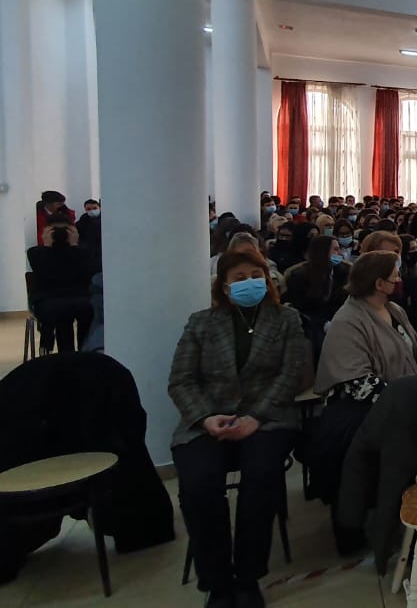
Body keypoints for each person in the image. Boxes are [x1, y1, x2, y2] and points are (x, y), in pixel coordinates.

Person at [168, 250, 309, 608]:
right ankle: (217, 581)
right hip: (209, 421)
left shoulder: (286, 319)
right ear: (225, 286)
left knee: (261, 478)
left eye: (256, 275)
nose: (250, 282)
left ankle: (248, 576)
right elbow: (181, 380)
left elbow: (291, 374)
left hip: (268, 418)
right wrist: (205, 418)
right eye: (240, 277)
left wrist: (255, 417)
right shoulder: (201, 323)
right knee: (199, 485)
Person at [308, 250, 417, 553]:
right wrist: (407, 399)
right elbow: (357, 382)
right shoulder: (348, 320)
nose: (399, 280)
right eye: (395, 276)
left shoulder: (394, 310)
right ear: (379, 283)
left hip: (406, 397)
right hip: (364, 408)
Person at [26, 214, 95, 353]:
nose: (60, 234)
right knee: (61, 312)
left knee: (85, 309)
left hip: (78, 297)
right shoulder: (36, 253)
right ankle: (66, 355)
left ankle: (84, 353)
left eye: (64, 230)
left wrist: (74, 245)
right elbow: (42, 271)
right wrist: (47, 246)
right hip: (50, 298)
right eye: (55, 230)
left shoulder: (84, 252)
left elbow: (87, 271)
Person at [281, 235, 351, 362]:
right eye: (335, 249)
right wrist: (323, 323)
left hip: (340, 321)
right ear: (322, 251)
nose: (340, 253)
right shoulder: (299, 276)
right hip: (311, 325)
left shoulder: (346, 272)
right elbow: (299, 306)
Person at [77, 198, 103, 273]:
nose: (92, 211)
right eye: (88, 209)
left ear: (99, 207)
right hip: (88, 254)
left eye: (94, 208)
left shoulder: (105, 219)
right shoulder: (82, 221)